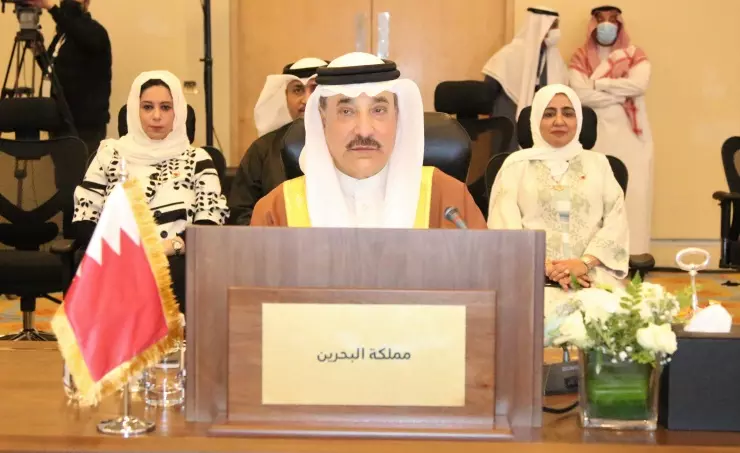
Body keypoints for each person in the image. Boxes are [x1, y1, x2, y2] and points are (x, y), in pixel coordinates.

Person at [251, 52, 486, 229]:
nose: (364, 131)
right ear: (323, 120)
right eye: (346, 112)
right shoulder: (278, 211)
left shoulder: (449, 200)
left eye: (378, 110)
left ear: (397, 117)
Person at [72, 71, 228, 312]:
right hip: (117, 255)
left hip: (178, 257)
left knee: (179, 274)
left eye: (165, 107)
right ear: (135, 111)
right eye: (147, 107)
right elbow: (84, 218)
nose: (156, 116)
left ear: (178, 112)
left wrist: (170, 247)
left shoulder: (198, 158)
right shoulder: (108, 155)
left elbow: (210, 221)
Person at [487, 84, 629, 304]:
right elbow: (504, 229)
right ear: (536, 119)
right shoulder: (515, 166)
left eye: (568, 113)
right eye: (549, 114)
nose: (559, 121)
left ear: (578, 120)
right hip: (530, 275)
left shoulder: (599, 164)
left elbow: (615, 222)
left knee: (609, 316)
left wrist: (583, 263)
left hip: (592, 276)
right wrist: (547, 267)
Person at [569, 5, 653, 255]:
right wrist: (618, 95)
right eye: (601, 20)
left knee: (634, 193)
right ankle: (595, 256)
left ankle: (635, 254)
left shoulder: (634, 54)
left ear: (620, 24)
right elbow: (580, 95)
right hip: (595, 135)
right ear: (593, 25)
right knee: (596, 193)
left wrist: (599, 83)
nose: (607, 25)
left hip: (632, 136)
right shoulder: (580, 56)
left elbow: (639, 85)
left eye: (612, 20)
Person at [228, 58, 328, 225]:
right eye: (297, 90)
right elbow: (241, 214)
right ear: (286, 96)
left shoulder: (346, 145)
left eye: (315, 88)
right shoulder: (262, 149)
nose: (306, 100)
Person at [28, 0, 112, 156]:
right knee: (61, 171)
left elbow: (77, 29)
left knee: (84, 170)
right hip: (59, 120)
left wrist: (51, 8)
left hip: (85, 125)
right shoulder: (63, 36)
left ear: (87, 3)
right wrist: (40, 54)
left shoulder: (95, 32)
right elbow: (53, 72)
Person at [481, 6, 567, 152]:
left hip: (541, 118)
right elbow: (489, 90)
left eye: (556, 26)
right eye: (552, 26)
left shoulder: (554, 58)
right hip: (510, 114)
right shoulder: (509, 54)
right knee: (508, 157)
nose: (556, 32)